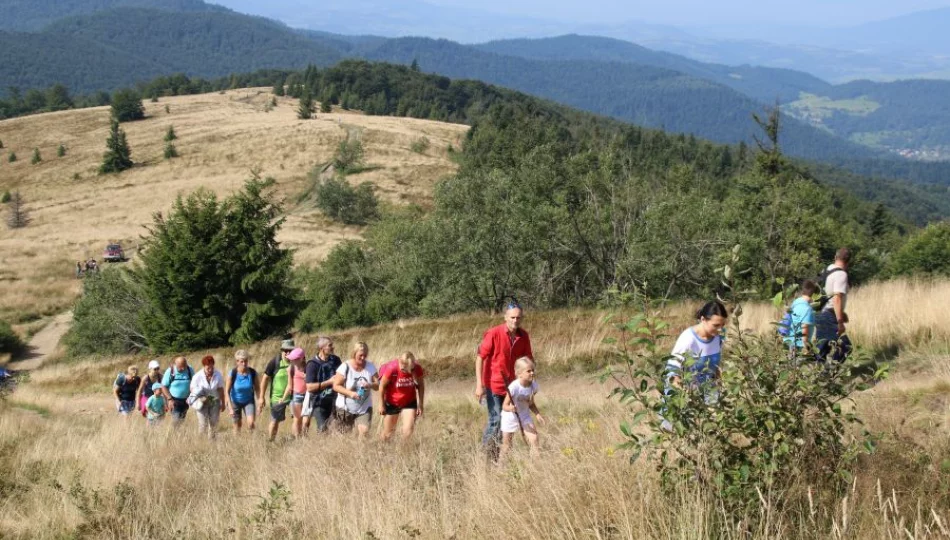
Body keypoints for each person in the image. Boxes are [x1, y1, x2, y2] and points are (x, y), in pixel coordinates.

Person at [476, 302, 533, 460]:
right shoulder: (494, 333)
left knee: (510, 421)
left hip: (513, 386)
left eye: (518, 317)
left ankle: (500, 455)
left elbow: (527, 359)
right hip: (494, 385)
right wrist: (479, 385)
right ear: (505, 317)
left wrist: (527, 382)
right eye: (512, 317)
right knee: (496, 420)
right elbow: (480, 358)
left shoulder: (523, 336)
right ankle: (485, 455)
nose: (515, 320)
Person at [666, 300, 728, 400]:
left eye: (723, 325)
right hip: (687, 395)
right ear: (703, 319)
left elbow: (715, 366)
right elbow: (672, 372)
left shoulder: (719, 336)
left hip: (709, 391)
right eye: (716, 325)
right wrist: (686, 397)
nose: (720, 329)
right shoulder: (688, 338)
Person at [500, 357, 545, 459]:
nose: (532, 373)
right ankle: (500, 468)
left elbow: (531, 403)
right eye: (528, 371)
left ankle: (536, 465)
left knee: (534, 439)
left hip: (524, 416)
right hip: (510, 417)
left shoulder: (533, 386)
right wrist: (511, 408)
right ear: (519, 373)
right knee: (507, 446)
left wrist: (537, 414)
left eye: (533, 370)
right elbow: (504, 406)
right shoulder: (514, 387)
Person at [331, 342, 378, 438]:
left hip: (364, 407)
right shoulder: (345, 367)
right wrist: (350, 393)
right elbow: (336, 386)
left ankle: (361, 452)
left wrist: (370, 384)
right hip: (345, 408)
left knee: (364, 433)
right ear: (354, 353)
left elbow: (378, 385)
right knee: (344, 436)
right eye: (360, 355)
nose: (363, 358)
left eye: (365, 355)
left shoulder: (370, 367)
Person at [378, 352, 426, 442]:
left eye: (411, 369)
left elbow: (421, 386)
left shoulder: (417, 368)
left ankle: (403, 451)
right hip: (392, 402)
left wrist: (421, 404)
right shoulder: (392, 368)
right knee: (388, 434)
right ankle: (381, 450)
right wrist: (381, 404)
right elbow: (382, 386)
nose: (409, 372)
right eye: (405, 370)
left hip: (409, 402)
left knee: (408, 432)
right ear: (401, 363)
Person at [815, 248, 852, 363]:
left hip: (820, 313)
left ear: (835, 257)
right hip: (829, 316)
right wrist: (840, 322)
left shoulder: (826, 270)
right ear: (848, 261)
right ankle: (829, 374)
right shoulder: (841, 274)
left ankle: (818, 377)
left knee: (822, 349)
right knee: (845, 346)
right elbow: (836, 299)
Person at [259, 339, 295, 442]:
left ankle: (297, 440)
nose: (288, 352)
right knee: (275, 420)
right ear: (281, 350)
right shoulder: (274, 362)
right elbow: (265, 379)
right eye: (285, 350)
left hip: (293, 395)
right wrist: (261, 397)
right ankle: (271, 441)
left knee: (297, 418)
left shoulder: (296, 361)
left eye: (290, 350)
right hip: (277, 397)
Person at [304, 336, 342, 434]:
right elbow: (309, 387)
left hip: (335, 401)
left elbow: (343, 376)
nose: (333, 347)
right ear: (322, 348)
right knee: (323, 429)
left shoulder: (336, 360)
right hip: (319, 402)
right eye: (330, 345)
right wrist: (329, 382)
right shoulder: (312, 364)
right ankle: (319, 447)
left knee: (338, 429)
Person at [189, 355, 225, 439]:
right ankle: (201, 443)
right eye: (208, 368)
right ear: (204, 366)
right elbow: (192, 389)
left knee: (214, 423)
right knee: (202, 424)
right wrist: (201, 398)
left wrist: (222, 403)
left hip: (214, 401)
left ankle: (212, 443)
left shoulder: (218, 374)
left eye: (212, 367)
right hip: (201, 402)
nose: (210, 370)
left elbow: (220, 389)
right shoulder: (197, 376)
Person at [226, 350, 259, 434]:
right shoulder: (232, 373)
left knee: (251, 423)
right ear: (237, 362)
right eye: (242, 361)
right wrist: (230, 407)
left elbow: (257, 388)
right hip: (235, 402)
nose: (244, 363)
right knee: (237, 426)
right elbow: (226, 391)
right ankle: (237, 443)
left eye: (246, 361)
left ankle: (251, 441)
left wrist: (260, 401)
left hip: (248, 401)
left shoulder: (252, 373)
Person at [782, 280, 818, 355]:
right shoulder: (807, 309)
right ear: (813, 294)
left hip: (788, 340)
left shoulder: (796, 302)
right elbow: (804, 331)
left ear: (803, 291)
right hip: (797, 344)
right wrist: (807, 348)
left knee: (790, 364)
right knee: (795, 365)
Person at [161, 356, 194, 424]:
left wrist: (192, 396)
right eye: (180, 367)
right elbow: (163, 386)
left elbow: (194, 382)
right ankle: (174, 433)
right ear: (176, 364)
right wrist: (169, 399)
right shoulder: (170, 371)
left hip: (186, 400)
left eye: (184, 366)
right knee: (176, 420)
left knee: (182, 419)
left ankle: (179, 434)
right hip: (174, 400)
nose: (183, 368)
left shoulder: (190, 369)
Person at [286, 347, 308, 439]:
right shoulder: (290, 369)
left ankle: (304, 437)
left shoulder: (308, 368)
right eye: (292, 359)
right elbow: (289, 385)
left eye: (295, 359)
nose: (293, 361)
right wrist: (284, 398)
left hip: (307, 395)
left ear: (302, 358)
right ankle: (296, 438)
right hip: (297, 396)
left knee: (306, 419)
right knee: (297, 419)